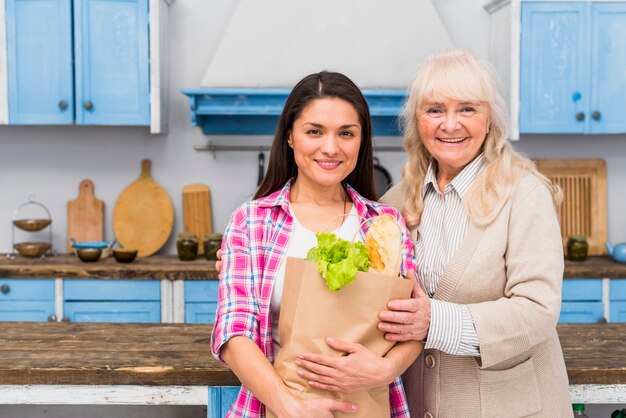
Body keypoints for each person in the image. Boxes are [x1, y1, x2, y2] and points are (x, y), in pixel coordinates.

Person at [371, 48, 573, 417]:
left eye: (467, 108)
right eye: (435, 110)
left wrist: (433, 321)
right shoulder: (397, 202)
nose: (450, 124)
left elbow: (538, 308)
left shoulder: (524, 194)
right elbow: (343, 254)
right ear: (417, 121)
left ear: (489, 117)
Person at [211, 71, 422, 418]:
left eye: (346, 133)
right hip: (277, 409)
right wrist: (289, 407)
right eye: (314, 131)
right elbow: (234, 334)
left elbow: (411, 326)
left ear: (361, 141)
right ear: (291, 137)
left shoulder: (384, 225)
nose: (331, 147)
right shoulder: (252, 222)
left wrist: (386, 369)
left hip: (368, 406)